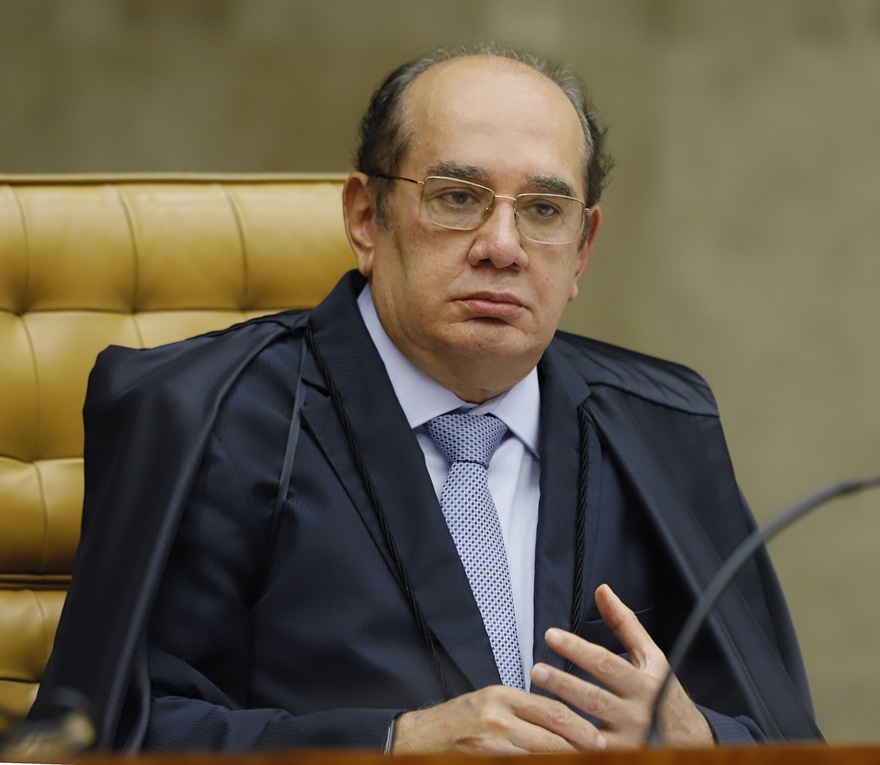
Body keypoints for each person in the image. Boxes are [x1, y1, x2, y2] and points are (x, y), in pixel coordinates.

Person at [29, 43, 821, 753]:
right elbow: (101, 736)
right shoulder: (207, 413)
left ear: (581, 251)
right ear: (365, 218)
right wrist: (391, 743)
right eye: (457, 197)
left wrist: (700, 739)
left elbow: (791, 739)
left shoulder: (661, 425)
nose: (502, 247)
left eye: (545, 211)